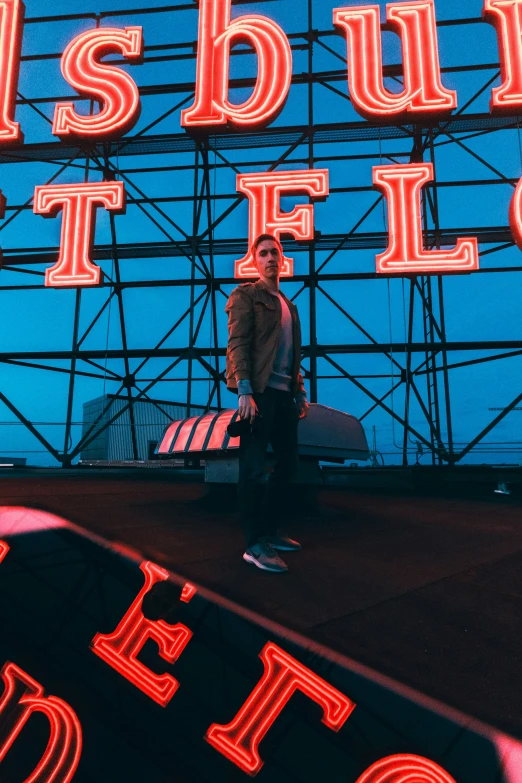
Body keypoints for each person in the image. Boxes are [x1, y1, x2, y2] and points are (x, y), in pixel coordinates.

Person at [225, 234, 310, 573]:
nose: (270, 257)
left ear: (282, 258)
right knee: (253, 469)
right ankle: (254, 544)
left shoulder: (290, 307)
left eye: (275, 251)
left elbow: (293, 356)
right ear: (256, 261)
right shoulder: (246, 295)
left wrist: (299, 392)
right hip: (258, 394)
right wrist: (244, 390)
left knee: (289, 468)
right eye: (263, 253)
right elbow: (237, 344)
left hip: (284, 395)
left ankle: (271, 531)